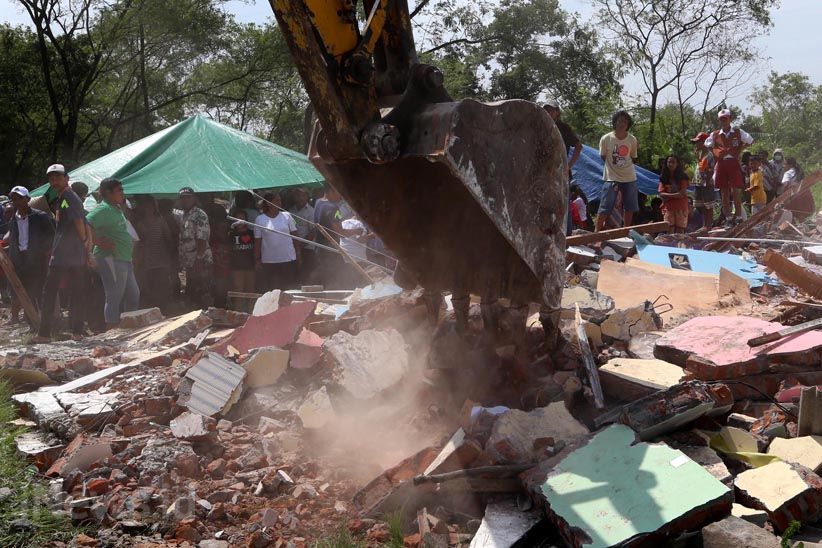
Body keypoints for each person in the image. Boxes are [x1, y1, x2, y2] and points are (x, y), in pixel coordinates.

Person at [32, 164, 90, 342]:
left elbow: (79, 221)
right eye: (51, 179)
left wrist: (83, 241)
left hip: (65, 253)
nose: (54, 181)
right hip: (72, 253)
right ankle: (77, 331)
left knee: (50, 291)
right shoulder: (64, 198)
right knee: (76, 291)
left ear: (66, 178)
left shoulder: (68, 197)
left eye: (58, 177)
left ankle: (44, 333)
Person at [86, 178, 139, 329]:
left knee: (133, 295)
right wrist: (96, 241)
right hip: (110, 258)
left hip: (124, 258)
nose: (123, 193)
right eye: (119, 190)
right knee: (114, 296)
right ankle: (112, 331)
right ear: (108, 193)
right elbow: (85, 224)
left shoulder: (115, 209)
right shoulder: (102, 209)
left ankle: (129, 327)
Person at [6, 186, 54, 325]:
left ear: (27, 199)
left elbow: (52, 236)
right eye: (14, 199)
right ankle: (31, 322)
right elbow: (15, 239)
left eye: (19, 198)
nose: (16, 201)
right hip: (19, 260)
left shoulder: (40, 216)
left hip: (36, 260)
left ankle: (45, 322)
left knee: (38, 290)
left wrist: (43, 251)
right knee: (22, 292)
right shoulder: (13, 219)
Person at [704, 109, 753, 225]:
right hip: (721, 163)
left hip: (733, 162)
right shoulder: (715, 134)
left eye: (726, 118)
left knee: (736, 190)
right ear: (719, 120)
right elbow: (707, 144)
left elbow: (750, 140)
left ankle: (739, 216)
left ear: (730, 119)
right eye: (721, 119)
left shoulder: (737, 132)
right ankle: (728, 218)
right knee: (724, 192)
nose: (724, 121)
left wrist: (740, 149)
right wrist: (716, 152)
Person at [314, 183, 363, 288]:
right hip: (331, 250)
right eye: (338, 192)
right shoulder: (333, 208)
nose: (341, 196)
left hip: (320, 248)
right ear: (331, 191)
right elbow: (339, 232)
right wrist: (356, 231)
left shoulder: (318, 202)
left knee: (328, 278)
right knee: (338, 279)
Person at [596, 110, 639, 232]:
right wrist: (613, 166)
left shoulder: (632, 139)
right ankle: (596, 233)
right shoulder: (606, 139)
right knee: (605, 205)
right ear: (615, 122)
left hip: (629, 177)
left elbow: (633, 157)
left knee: (629, 207)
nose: (622, 124)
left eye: (625, 122)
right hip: (612, 177)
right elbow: (603, 156)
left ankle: (626, 232)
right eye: (619, 121)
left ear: (628, 124)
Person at [134, 196, 176, 313]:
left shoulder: (160, 220)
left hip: (161, 261)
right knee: (149, 289)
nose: (147, 208)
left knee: (162, 288)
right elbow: (138, 242)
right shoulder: (139, 223)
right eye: (145, 206)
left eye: (150, 206)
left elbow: (169, 239)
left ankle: (164, 311)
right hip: (146, 261)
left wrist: (169, 258)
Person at [254, 192, 299, 292]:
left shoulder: (287, 216)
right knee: (272, 291)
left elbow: (295, 237)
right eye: (277, 200)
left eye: (280, 200)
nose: (280, 202)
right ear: (268, 203)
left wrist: (299, 255)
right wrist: (257, 260)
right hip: (269, 262)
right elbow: (257, 242)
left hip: (288, 259)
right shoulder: (259, 219)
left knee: (288, 290)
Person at [177, 187, 213, 309]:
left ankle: (206, 320)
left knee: (203, 294)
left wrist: (199, 259)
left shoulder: (199, 215)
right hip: (190, 263)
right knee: (192, 294)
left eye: (188, 197)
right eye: (182, 198)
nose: (185, 200)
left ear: (194, 198)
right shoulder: (184, 215)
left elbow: (201, 239)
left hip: (200, 262)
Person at [288, 187, 316, 283]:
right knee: (295, 276)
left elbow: (313, 231)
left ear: (307, 197)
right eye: (297, 195)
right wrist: (296, 247)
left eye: (303, 195)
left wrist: (300, 245)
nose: (300, 198)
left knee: (307, 275)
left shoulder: (311, 211)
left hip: (307, 248)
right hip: (293, 249)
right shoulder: (290, 211)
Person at [658, 155, 690, 234]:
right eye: (669, 162)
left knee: (680, 232)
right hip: (668, 208)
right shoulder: (663, 177)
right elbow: (661, 194)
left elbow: (682, 194)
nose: (671, 164)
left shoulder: (683, 176)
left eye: (673, 162)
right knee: (669, 232)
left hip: (681, 207)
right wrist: (675, 195)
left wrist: (668, 196)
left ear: (677, 164)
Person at [690, 132, 715, 230]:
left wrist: (707, 180)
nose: (696, 144)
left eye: (698, 142)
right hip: (698, 182)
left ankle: (708, 225)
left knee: (708, 205)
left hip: (706, 183)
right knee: (701, 205)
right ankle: (705, 224)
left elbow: (711, 170)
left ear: (704, 142)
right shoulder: (700, 154)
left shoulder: (709, 155)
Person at [229, 210, 256, 293]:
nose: (239, 221)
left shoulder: (252, 233)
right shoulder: (231, 234)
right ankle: (238, 306)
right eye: (237, 219)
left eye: (242, 218)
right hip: (236, 267)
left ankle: (251, 306)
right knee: (238, 291)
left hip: (250, 266)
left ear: (246, 220)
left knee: (250, 290)